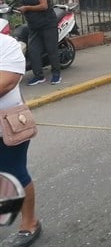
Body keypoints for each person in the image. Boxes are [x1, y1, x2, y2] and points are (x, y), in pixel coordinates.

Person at [0, 33, 42, 247]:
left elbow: (6, 82)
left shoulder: (7, 45)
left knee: (15, 173)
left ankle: (30, 223)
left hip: (6, 126)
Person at [0, 0, 61, 86]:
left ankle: (56, 75)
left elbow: (44, 5)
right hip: (33, 25)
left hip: (47, 23)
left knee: (51, 49)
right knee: (33, 51)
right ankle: (39, 76)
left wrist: (27, 8)